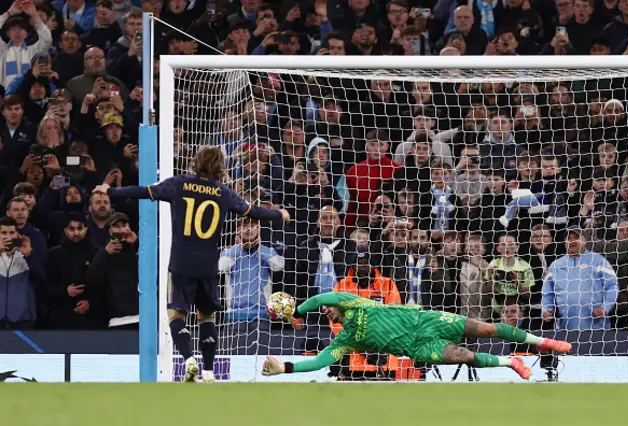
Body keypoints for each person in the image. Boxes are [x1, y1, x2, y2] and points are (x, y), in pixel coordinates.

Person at [93, 146, 290, 383]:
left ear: (196, 162)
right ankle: (208, 371)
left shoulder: (180, 184)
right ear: (220, 167)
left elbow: (144, 191)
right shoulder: (224, 192)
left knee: (176, 314)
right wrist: (279, 214)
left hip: (181, 263)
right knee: (206, 318)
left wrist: (111, 191)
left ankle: (188, 359)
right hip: (207, 265)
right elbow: (252, 212)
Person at [262, 293, 572, 379]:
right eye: (324, 314)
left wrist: (296, 312)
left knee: (487, 328)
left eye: (327, 309)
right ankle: (510, 362)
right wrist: (283, 368)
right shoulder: (347, 340)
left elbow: (319, 299)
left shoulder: (352, 302)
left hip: (426, 320)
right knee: (463, 356)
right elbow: (318, 363)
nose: (326, 311)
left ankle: (542, 342)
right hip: (418, 346)